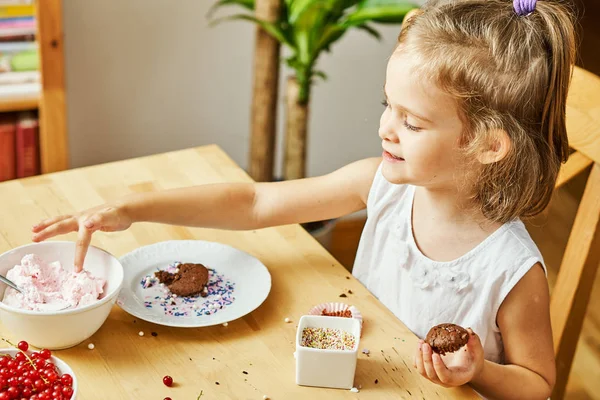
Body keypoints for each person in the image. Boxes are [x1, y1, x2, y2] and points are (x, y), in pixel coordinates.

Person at [32, 0, 576, 397]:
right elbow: (251, 203)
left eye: (411, 122)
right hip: (362, 379)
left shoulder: (510, 267)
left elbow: (537, 385)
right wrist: (132, 209)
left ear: (486, 145)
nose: (386, 128)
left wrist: (478, 371)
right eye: (387, 105)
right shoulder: (381, 186)